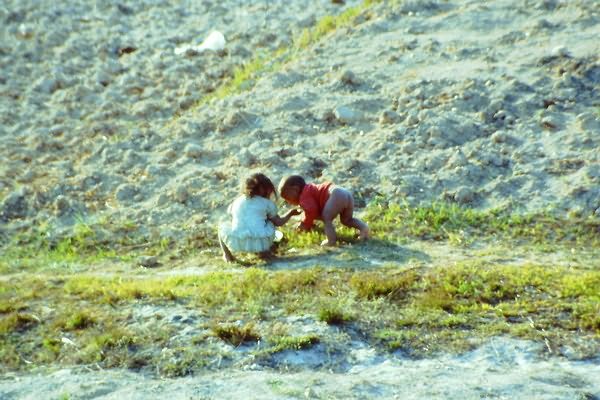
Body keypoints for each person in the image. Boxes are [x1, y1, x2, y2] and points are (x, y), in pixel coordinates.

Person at [219, 173, 301, 263]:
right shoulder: (267, 203)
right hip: (261, 244)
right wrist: (290, 213)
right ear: (265, 190)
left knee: (222, 224)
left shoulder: (237, 201)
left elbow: (232, 216)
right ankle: (264, 253)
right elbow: (279, 222)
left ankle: (227, 255)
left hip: (236, 242)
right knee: (269, 221)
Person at [278, 175, 370, 246]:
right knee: (347, 220)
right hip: (344, 193)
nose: (288, 202)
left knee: (327, 218)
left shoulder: (304, 196)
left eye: (287, 197)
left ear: (295, 189)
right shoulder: (310, 190)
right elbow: (312, 211)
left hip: (335, 194)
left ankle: (331, 240)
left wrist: (305, 224)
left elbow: (311, 211)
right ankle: (363, 228)